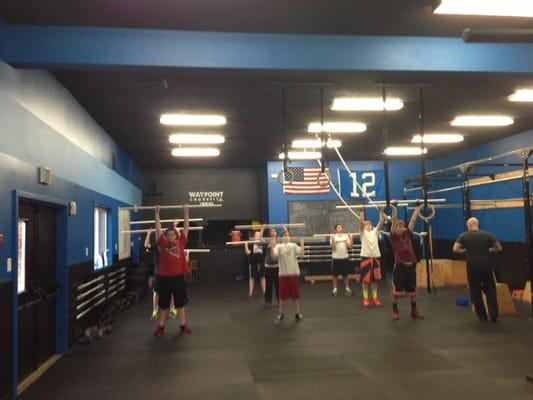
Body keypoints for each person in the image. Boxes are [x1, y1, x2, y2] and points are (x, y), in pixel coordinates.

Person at [453, 217, 503, 322]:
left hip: (472, 267)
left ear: (468, 226)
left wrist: (465, 251)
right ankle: (493, 314)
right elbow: (499, 248)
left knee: (475, 291)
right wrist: (489, 250)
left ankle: (482, 316)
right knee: (490, 289)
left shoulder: (463, 236)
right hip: (486, 265)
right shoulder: (487, 235)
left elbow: (455, 249)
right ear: (477, 225)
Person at [153, 204, 191, 337]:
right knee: (163, 305)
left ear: (176, 236)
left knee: (180, 303)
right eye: (168, 234)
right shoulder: (162, 243)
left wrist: (186, 212)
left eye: (172, 234)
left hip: (178, 278)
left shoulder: (181, 243)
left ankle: (183, 324)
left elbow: (186, 228)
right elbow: (158, 229)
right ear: (166, 236)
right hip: (164, 278)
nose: (170, 236)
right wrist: (157, 213)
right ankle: (161, 326)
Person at [389, 200, 423, 320]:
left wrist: (418, 207)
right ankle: (395, 310)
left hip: (411, 266)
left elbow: (413, 220)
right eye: (398, 227)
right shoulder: (393, 237)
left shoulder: (408, 234)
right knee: (396, 292)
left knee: (412, 291)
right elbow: (393, 221)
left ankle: (414, 310)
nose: (400, 228)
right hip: (400, 266)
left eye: (401, 226)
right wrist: (394, 208)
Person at [270, 231, 305, 322]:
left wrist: (302, 244)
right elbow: (273, 257)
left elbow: (301, 256)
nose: (286, 237)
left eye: (288, 235)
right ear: (282, 238)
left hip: (294, 274)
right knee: (282, 296)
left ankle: (297, 313)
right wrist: (272, 246)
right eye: (285, 235)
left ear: (290, 237)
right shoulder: (279, 246)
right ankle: (281, 314)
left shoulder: (293, 245)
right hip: (283, 274)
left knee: (296, 296)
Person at [359, 208, 385, 307]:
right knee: (365, 281)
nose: (368, 226)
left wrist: (381, 211)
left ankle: (375, 298)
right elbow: (361, 223)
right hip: (366, 258)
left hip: (376, 258)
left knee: (374, 281)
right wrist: (361, 212)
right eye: (366, 225)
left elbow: (381, 222)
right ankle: (365, 299)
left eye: (369, 224)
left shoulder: (375, 232)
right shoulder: (362, 233)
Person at [261, 224, 287, 308]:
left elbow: (286, 237)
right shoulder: (267, 241)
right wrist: (262, 229)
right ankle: (268, 301)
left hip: (278, 267)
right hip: (268, 267)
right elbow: (260, 240)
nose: (273, 233)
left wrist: (284, 228)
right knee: (268, 286)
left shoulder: (279, 241)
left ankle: (280, 301)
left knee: (278, 286)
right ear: (269, 233)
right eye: (271, 231)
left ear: (276, 233)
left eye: (274, 231)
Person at [330, 224, 353, 296]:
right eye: (338, 227)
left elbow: (350, 247)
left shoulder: (346, 236)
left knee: (346, 275)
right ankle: (335, 289)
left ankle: (347, 288)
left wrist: (351, 238)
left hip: (344, 258)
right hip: (336, 258)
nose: (339, 228)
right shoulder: (333, 237)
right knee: (335, 275)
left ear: (342, 229)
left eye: (340, 227)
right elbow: (333, 248)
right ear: (336, 229)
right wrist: (333, 240)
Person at [144, 228, 161, 320]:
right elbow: (146, 245)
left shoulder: (168, 245)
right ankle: (155, 310)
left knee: (171, 292)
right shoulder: (155, 246)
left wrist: (176, 229)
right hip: (158, 273)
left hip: (168, 272)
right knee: (156, 292)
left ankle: (172, 309)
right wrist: (148, 233)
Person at [244, 231, 266, 298]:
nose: (257, 236)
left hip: (261, 262)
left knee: (262, 277)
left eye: (259, 235)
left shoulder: (261, 243)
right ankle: (250, 292)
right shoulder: (251, 244)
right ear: (254, 237)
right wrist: (245, 245)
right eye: (256, 235)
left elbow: (262, 251)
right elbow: (247, 253)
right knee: (252, 277)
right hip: (253, 262)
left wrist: (259, 244)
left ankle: (265, 292)